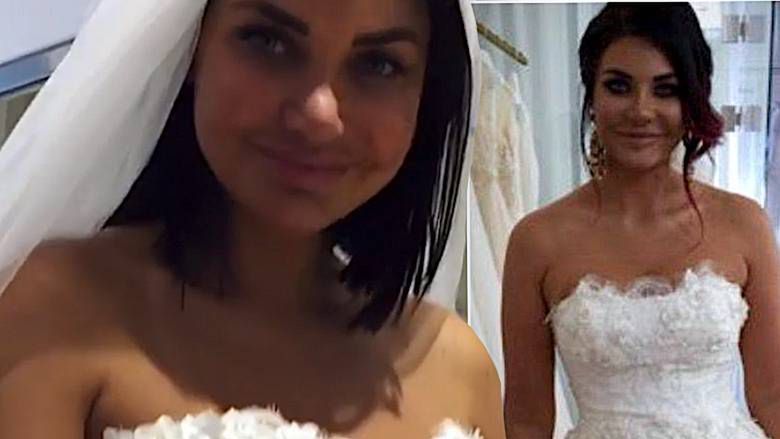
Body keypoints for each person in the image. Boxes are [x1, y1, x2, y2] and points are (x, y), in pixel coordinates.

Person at [0, 1, 505, 438]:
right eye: (268, 41)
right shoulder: (60, 309)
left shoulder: (460, 367)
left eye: (379, 64)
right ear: (194, 45)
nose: (320, 113)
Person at [502, 3, 780, 438]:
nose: (641, 110)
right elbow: (526, 419)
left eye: (665, 90)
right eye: (619, 86)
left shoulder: (745, 226)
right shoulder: (537, 241)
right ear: (591, 96)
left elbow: (773, 397)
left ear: (691, 100)